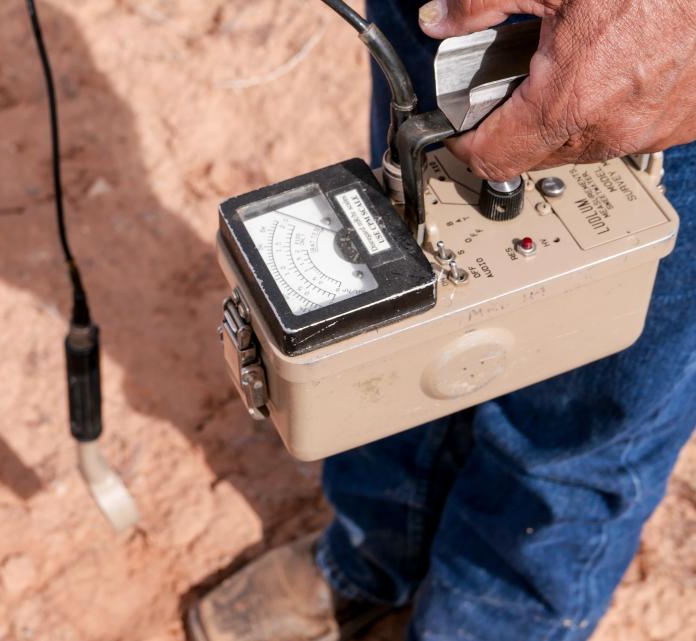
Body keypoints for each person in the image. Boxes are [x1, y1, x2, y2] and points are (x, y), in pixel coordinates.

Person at [187, 1, 696, 640]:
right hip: (447, 19)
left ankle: (489, 621)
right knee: (386, 339)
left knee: (583, 424)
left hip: (657, 46)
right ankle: (372, 552)